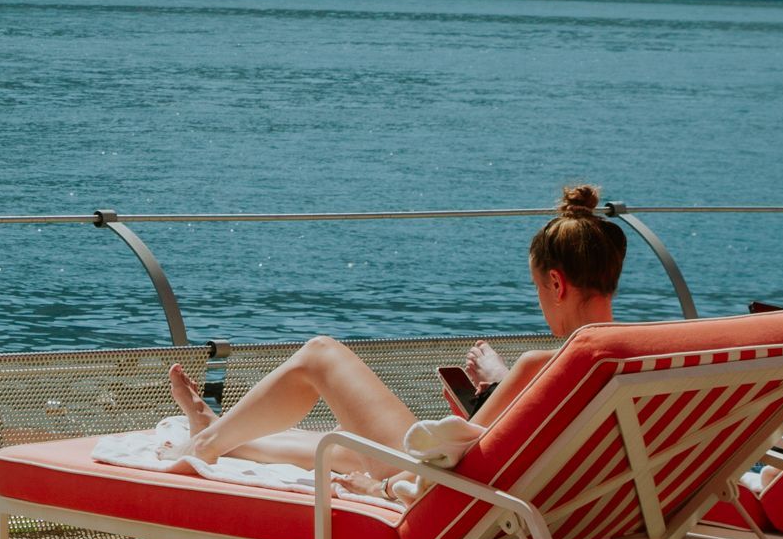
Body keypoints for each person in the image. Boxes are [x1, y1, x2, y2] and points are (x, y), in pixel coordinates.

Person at [165, 183, 625, 480]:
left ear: (556, 283)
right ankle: (221, 431)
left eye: (538, 289)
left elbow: (452, 466)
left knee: (320, 354)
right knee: (343, 449)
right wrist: (499, 390)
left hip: (460, 499)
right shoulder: (648, 358)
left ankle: (203, 444)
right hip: (573, 501)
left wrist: (377, 492)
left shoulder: (543, 366)